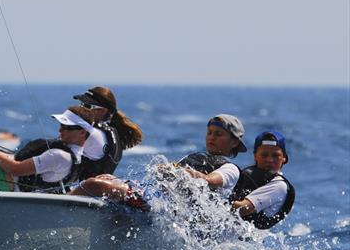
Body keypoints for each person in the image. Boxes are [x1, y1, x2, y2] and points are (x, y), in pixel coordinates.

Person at [71, 114, 247, 207]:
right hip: (153, 196)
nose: (211, 137)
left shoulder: (230, 169)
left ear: (234, 142)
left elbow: (210, 180)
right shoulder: (196, 157)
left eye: (218, 134)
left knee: (96, 185)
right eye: (209, 132)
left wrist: (187, 174)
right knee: (103, 178)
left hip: (160, 207)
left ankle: (61, 203)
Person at [0, 107, 103, 192]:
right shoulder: (78, 158)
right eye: (61, 125)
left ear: (83, 132)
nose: (61, 130)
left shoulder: (59, 156)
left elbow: (15, 169)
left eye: (67, 127)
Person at [229, 131, 295, 229]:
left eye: (275, 155)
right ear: (255, 156)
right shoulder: (248, 176)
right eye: (264, 155)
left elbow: (242, 208)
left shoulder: (279, 186)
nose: (269, 160)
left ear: (284, 157)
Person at [72, 86, 143, 177]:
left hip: (84, 189)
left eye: (86, 106)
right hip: (92, 189)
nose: (80, 109)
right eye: (81, 104)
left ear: (102, 111)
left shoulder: (92, 135)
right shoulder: (110, 133)